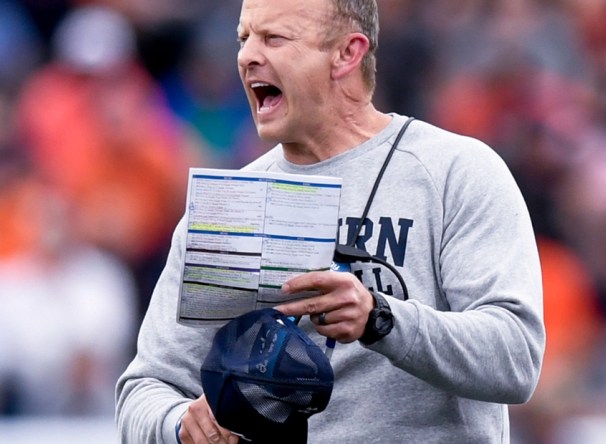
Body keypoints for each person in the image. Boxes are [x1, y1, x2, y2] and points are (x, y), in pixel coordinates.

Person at [116, 0, 545, 442]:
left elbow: (515, 359)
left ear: (347, 53)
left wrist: (381, 319)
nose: (247, 56)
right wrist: (180, 424)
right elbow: (145, 388)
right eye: (244, 39)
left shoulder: (453, 172)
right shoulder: (230, 211)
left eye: (274, 38)